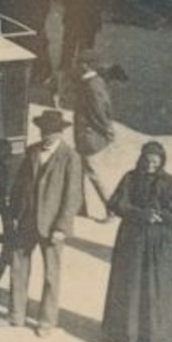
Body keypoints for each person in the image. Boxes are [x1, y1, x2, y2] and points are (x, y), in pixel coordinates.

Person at [101, 141, 172, 342]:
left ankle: (159, 341)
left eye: (155, 161)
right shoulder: (130, 178)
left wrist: (160, 216)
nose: (150, 164)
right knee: (132, 287)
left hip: (162, 244)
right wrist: (139, 214)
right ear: (141, 159)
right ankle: (127, 337)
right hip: (133, 241)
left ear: (161, 161)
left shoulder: (169, 182)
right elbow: (117, 204)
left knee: (158, 289)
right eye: (147, 160)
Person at [3, 109, 84, 337]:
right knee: (18, 269)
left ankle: (46, 322)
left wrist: (61, 227)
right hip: (27, 220)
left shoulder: (71, 158)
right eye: (44, 131)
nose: (46, 135)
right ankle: (16, 315)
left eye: (51, 132)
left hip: (52, 226)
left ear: (60, 133)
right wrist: (15, 215)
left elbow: (73, 197)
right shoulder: (32, 152)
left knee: (51, 275)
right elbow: (20, 186)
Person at [71, 51, 117, 220]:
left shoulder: (92, 85)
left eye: (78, 63)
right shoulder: (92, 82)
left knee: (93, 172)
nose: (76, 67)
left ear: (85, 65)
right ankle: (81, 208)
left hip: (89, 136)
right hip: (86, 134)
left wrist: (106, 129)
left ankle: (110, 208)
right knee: (83, 171)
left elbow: (99, 110)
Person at [58, 0, 108, 74]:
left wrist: (68, 6)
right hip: (91, 17)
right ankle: (84, 67)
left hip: (73, 14)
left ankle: (65, 66)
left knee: (69, 42)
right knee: (87, 43)